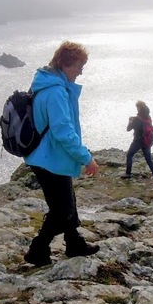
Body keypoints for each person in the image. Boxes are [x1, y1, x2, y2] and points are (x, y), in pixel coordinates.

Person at [23, 41, 100, 266]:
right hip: (50, 159)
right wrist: (86, 157)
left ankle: (74, 242)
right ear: (66, 64)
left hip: (47, 157)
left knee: (68, 202)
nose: (80, 72)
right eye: (78, 66)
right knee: (62, 210)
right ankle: (37, 249)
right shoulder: (56, 91)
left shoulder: (48, 84)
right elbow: (63, 131)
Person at [122, 101, 153, 185]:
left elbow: (128, 129)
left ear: (139, 108)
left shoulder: (137, 119)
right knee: (149, 160)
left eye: (137, 107)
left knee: (129, 155)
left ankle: (128, 173)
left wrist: (130, 120)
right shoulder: (148, 117)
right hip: (147, 141)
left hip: (138, 141)